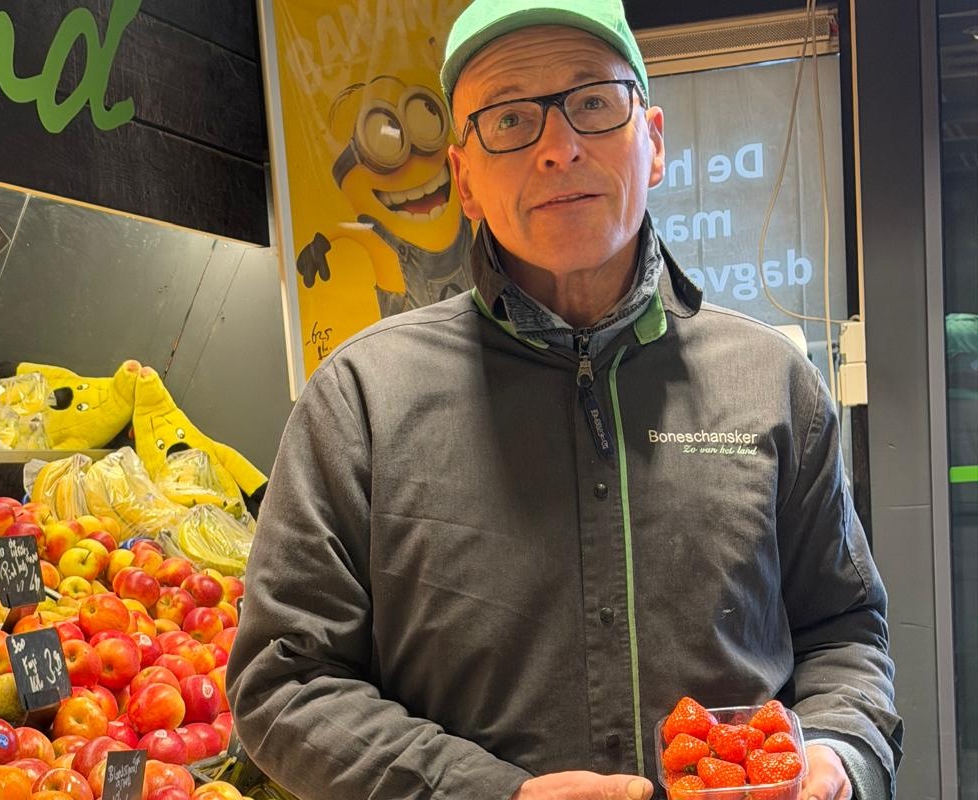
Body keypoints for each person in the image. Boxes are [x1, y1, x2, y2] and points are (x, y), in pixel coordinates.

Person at [227, 1, 903, 798]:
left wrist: (837, 756)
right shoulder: (359, 402)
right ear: (464, 178)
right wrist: (484, 794)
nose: (558, 147)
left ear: (653, 141)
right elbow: (285, 682)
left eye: (592, 102)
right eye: (510, 119)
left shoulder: (774, 384)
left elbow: (845, 633)